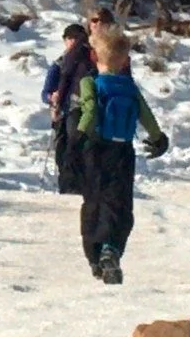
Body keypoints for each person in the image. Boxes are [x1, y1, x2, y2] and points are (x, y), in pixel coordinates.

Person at [76, 29, 168, 286]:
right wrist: (158, 137)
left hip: (96, 148)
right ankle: (111, 248)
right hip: (124, 150)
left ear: (94, 56)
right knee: (119, 200)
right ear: (125, 60)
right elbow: (146, 114)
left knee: (95, 198)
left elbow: (91, 109)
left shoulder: (90, 83)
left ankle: (94, 255)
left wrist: (80, 135)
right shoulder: (130, 87)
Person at [42, 24, 94, 193]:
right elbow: (45, 92)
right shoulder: (59, 64)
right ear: (65, 40)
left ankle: (76, 185)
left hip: (80, 111)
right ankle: (67, 185)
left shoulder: (89, 62)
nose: (73, 42)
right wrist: (52, 97)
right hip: (62, 112)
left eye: (77, 38)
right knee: (62, 151)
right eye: (70, 38)